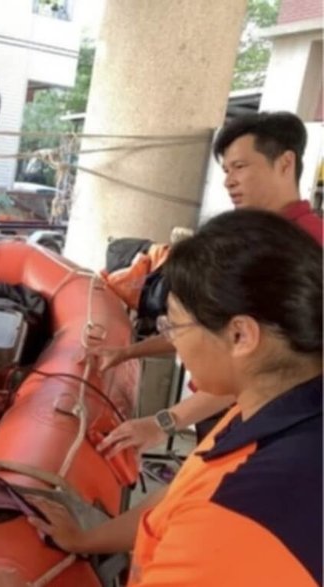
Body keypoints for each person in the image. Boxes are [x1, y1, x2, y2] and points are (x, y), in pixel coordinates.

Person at [30, 209, 322, 586]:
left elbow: (204, 510)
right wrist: (88, 539)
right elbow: (180, 496)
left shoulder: (231, 518)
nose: (174, 341)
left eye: (175, 325)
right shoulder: (264, 415)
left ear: (240, 336)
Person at [93, 111, 323, 455]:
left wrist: (165, 422)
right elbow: (209, 327)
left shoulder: (305, 249)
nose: (229, 181)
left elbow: (267, 365)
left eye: (241, 166)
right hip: (222, 410)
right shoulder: (246, 239)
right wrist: (128, 352)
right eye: (226, 170)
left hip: (262, 422)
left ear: (285, 162)